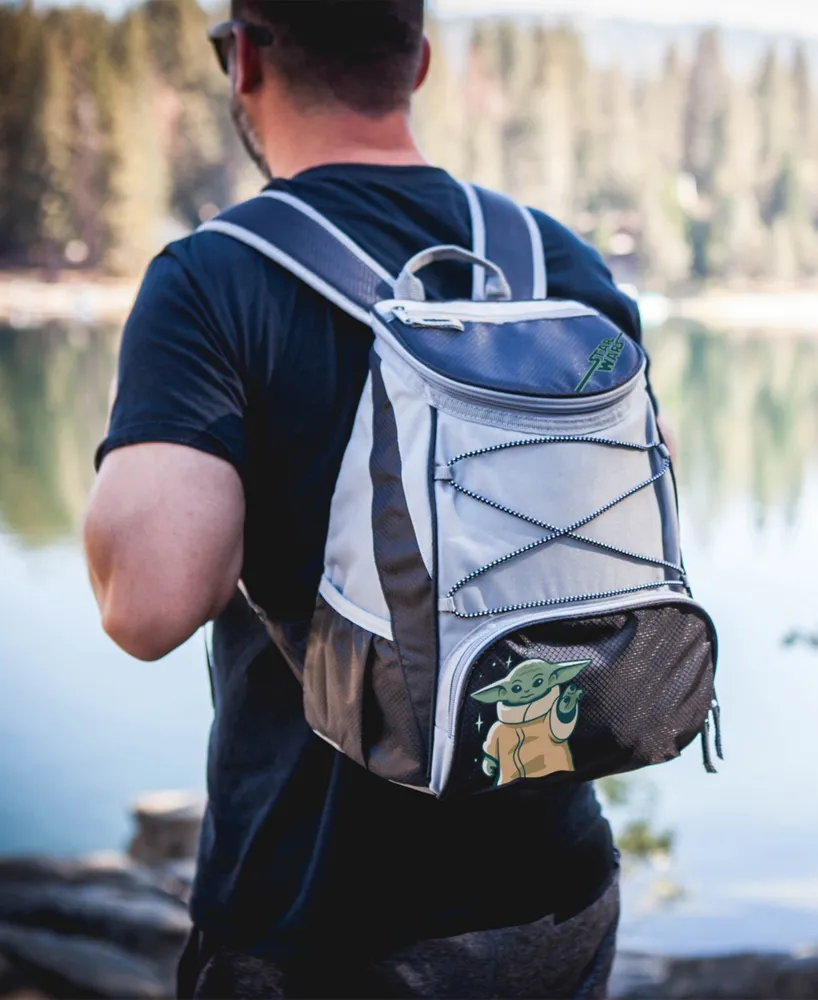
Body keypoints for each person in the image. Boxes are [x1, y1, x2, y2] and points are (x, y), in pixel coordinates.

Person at [82, 2, 648, 996]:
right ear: (417, 62)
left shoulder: (214, 278)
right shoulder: (556, 263)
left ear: (245, 57)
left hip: (321, 922)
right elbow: (642, 500)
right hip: (551, 893)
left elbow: (148, 602)